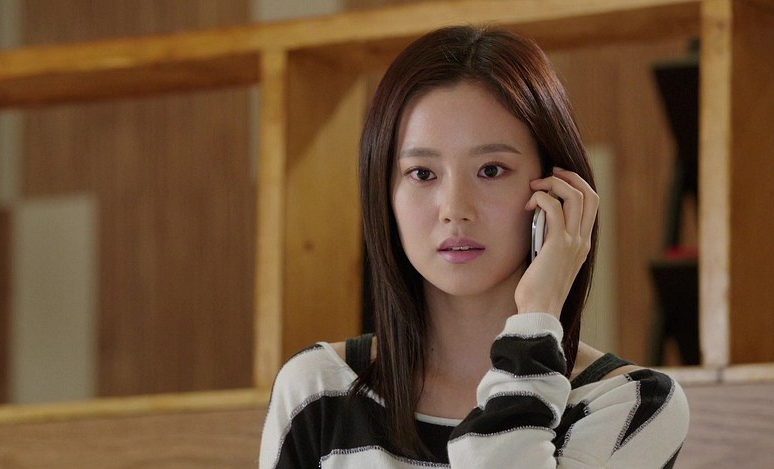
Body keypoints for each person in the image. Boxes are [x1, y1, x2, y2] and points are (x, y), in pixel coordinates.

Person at [259, 25, 689, 468]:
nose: (455, 210)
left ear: (556, 190)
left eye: (491, 170)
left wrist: (537, 317)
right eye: (422, 173)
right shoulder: (317, 390)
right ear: (384, 195)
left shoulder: (632, 404)